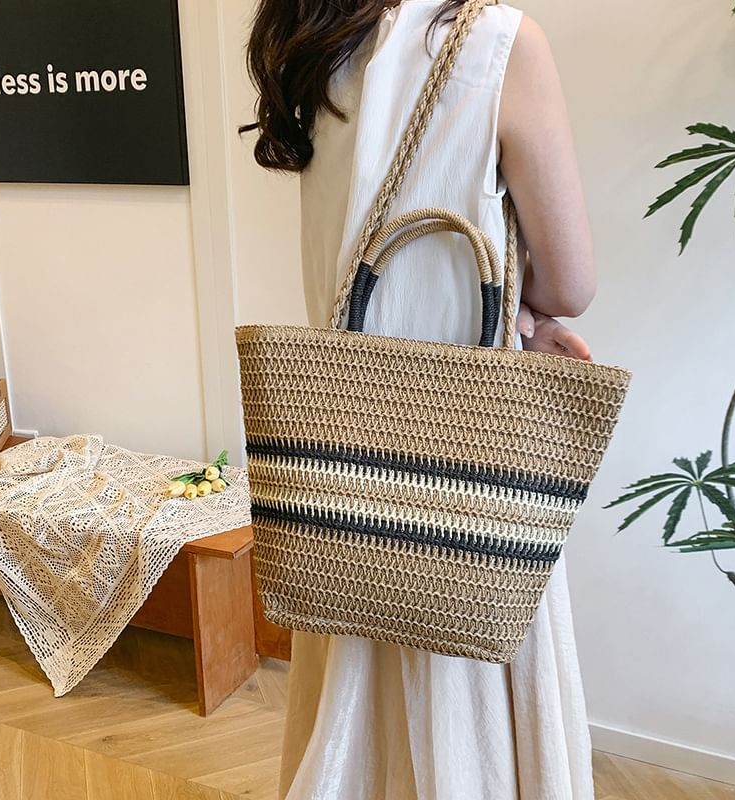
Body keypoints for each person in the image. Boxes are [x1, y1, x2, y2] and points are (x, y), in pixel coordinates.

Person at [241, 1, 597, 797]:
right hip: (471, 473)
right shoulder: (499, 44)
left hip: (345, 469)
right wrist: (523, 311)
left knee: (349, 724)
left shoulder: (314, 43)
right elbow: (571, 283)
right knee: (473, 696)